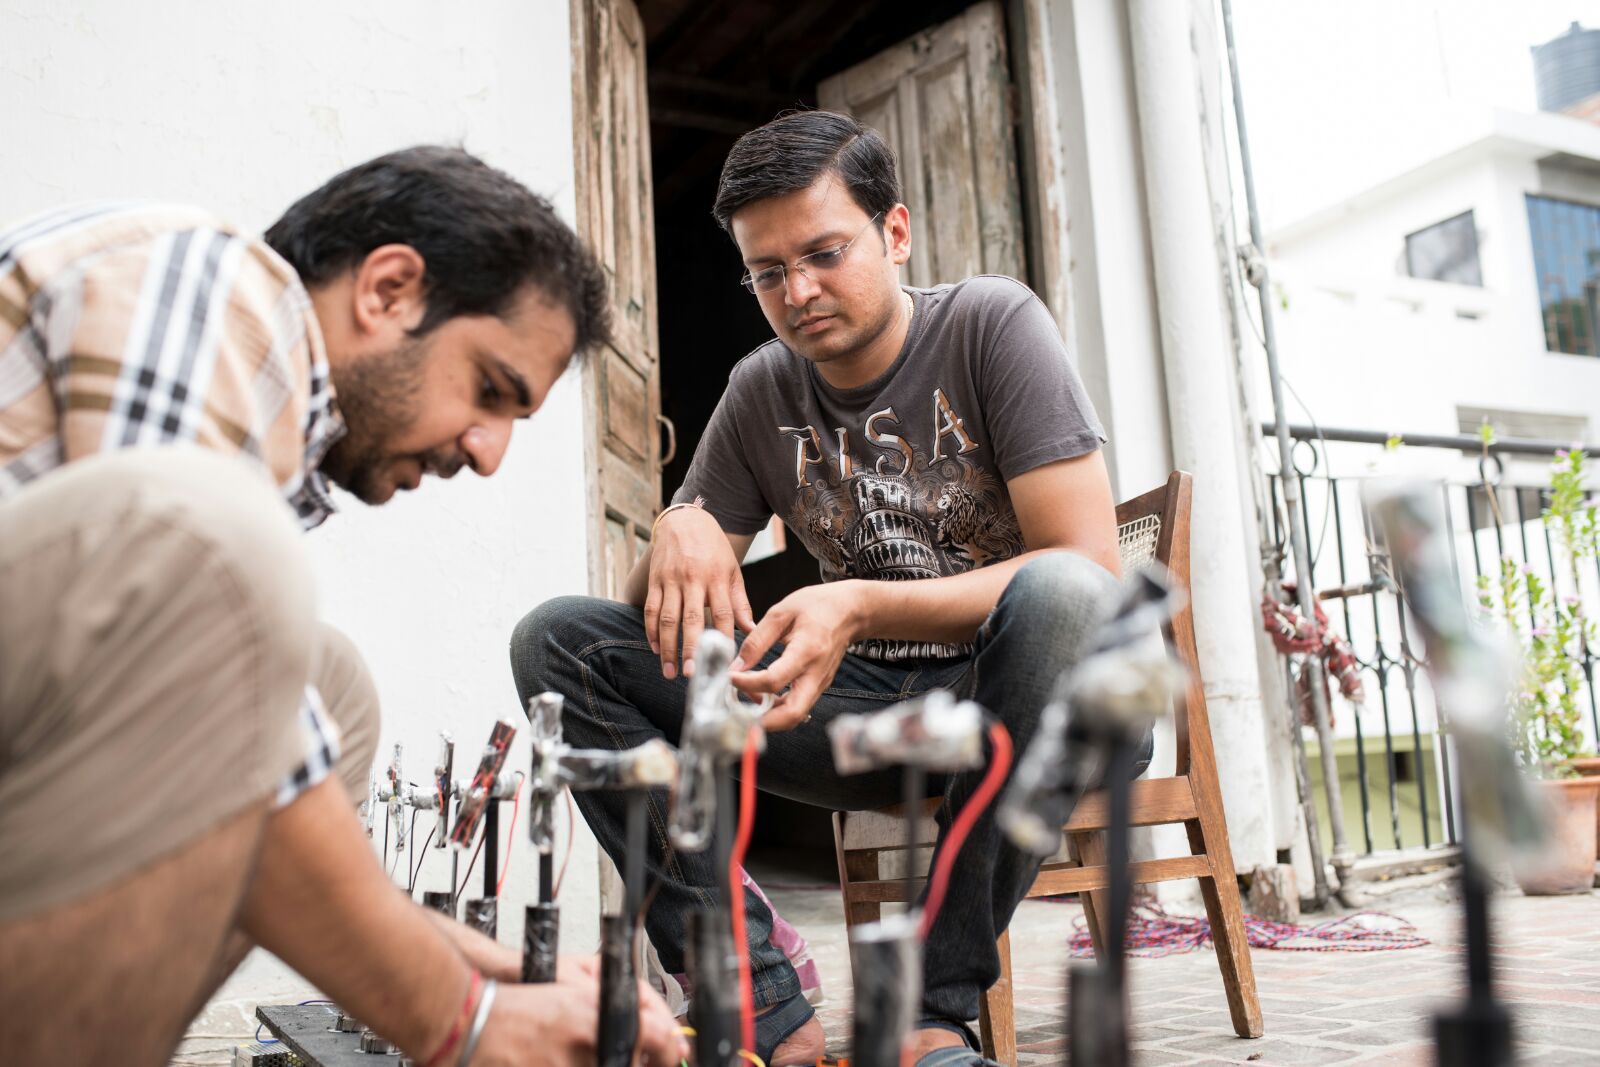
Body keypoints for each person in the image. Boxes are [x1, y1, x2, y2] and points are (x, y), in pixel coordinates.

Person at [0, 146, 686, 1067]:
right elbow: (256, 760)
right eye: (489, 389)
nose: (489, 455)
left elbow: (254, 791)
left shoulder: (250, 433)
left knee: (329, 688)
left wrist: (503, 974)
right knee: (231, 560)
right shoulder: (206, 281)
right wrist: (464, 1021)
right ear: (389, 290)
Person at [511, 111, 1154, 1066]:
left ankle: (925, 1016)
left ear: (895, 233)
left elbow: (1089, 570)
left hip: (1039, 704)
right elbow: (649, 616)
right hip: (867, 719)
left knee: (1059, 593)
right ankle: (761, 1008)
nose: (799, 292)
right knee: (559, 640)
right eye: (767, 272)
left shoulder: (992, 323)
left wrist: (858, 603)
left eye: (823, 254)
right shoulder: (761, 390)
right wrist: (679, 522)